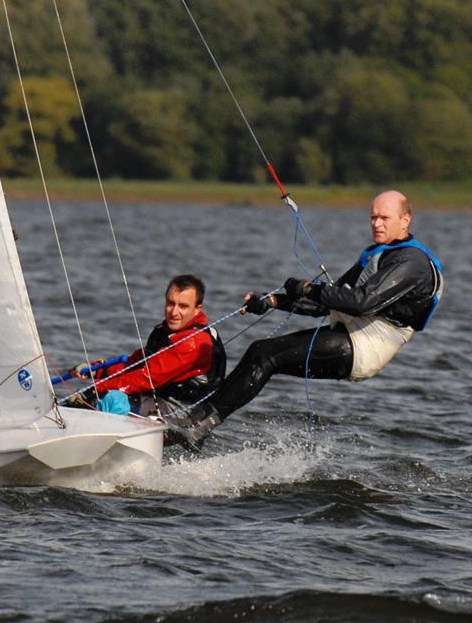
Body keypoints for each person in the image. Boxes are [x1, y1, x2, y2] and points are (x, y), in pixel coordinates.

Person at [167, 190, 443, 451]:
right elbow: (329, 301)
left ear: (405, 220)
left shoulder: (412, 262)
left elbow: (361, 303)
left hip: (366, 347)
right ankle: (196, 421)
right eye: (373, 217)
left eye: (385, 218)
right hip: (352, 333)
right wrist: (273, 301)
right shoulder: (379, 254)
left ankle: (199, 427)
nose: (377, 224)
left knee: (264, 354)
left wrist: (309, 288)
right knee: (260, 352)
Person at [73, 274, 226, 418]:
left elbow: (148, 377)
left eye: (183, 306)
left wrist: (96, 390)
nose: (174, 312)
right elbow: (135, 363)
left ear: (197, 309)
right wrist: (96, 371)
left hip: (183, 411)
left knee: (114, 400)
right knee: (101, 397)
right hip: (157, 398)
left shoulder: (193, 342)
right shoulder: (166, 331)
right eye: (170, 303)